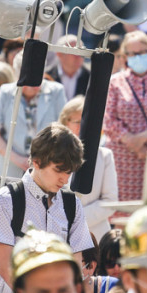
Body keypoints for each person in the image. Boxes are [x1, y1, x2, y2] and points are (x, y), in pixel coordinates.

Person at [0, 124, 93, 293]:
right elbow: (6, 266)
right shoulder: (4, 200)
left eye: (69, 172)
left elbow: (76, 264)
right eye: (59, 170)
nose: (64, 178)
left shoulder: (72, 204)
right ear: (37, 162)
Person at [102, 31, 147, 199]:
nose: (139, 57)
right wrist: (131, 142)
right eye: (134, 54)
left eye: (143, 52)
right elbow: (109, 120)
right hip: (122, 160)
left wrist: (142, 138)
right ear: (125, 56)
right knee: (121, 210)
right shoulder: (114, 82)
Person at [0, 56, 67, 179]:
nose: (33, 85)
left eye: (37, 78)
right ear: (17, 76)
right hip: (9, 168)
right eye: (28, 80)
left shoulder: (57, 91)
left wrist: (45, 160)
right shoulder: (5, 92)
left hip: (46, 168)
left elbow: (64, 131)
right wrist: (19, 160)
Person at [60, 96, 118, 239]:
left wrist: (75, 218)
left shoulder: (104, 156)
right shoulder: (54, 154)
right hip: (59, 233)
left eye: (87, 122)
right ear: (65, 123)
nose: (83, 127)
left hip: (95, 236)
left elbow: (110, 201)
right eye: (78, 122)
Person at [46, 34, 91, 99]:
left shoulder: (92, 78)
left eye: (82, 52)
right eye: (74, 52)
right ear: (59, 54)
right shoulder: (46, 77)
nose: (79, 56)